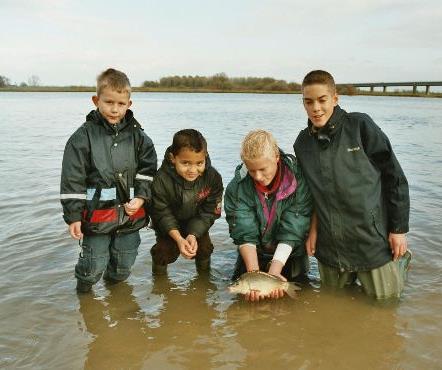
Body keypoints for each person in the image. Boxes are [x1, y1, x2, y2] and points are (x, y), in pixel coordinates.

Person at [293, 70, 411, 299]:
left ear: (335, 99)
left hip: (371, 242)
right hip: (330, 246)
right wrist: (313, 230)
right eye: (309, 102)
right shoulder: (302, 143)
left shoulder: (361, 126)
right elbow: (311, 193)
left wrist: (398, 230)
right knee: (333, 307)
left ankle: (402, 264)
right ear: (303, 104)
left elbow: (394, 177)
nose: (316, 108)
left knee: (386, 306)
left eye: (322, 100)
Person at [60, 68, 157, 293]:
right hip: (97, 216)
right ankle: (84, 297)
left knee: (124, 265)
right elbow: (72, 179)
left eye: (121, 104)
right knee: (92, 267)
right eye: (109, 102)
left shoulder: (139, 137)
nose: (115, 109)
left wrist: (142, 197)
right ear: (96, 100)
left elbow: (149, 169)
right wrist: (73, 216)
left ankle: (114, 290)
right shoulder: (81, 137)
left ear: (129, 104)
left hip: (130, 216)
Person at [224, 130, 313, 301]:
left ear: (276, 157)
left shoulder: (299, 180)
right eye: (252, 170)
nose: (258, 176)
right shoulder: (237, 188)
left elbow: (294, 229)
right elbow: (244, 232)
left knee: (299, 296)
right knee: (244, 299)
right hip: (253, 252)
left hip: (291, 252)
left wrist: (274, 273)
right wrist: (253, 274)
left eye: (263, 169)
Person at [150, 129, 223, 274]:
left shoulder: (213, 177)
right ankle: (159, 285)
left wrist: (193, 234)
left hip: (196, 221)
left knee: (204, 249)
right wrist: (177, 238)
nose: (193, 170)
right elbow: (161, 212)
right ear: (173, 158)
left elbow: (210, 211)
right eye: (185, 163)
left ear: (205, 156)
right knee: (162, 252)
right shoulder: (160, 179)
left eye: (199, 163)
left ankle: (204, 281)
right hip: (168, 224)